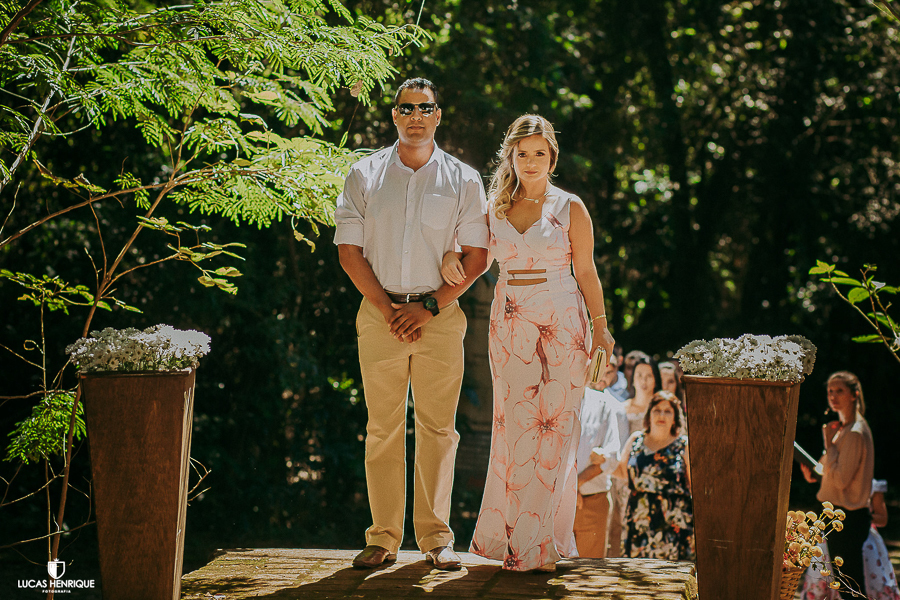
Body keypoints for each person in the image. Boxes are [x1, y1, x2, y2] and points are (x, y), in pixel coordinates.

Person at [441, 114, 615, 572]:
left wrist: (602, 326)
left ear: (552, 156)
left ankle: (539, 544)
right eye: (523, 153)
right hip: (510, 317)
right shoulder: (493, 207)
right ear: (511, 157)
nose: (531, 161)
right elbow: (468, 254)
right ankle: (513, 541)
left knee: (556, 430)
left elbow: (588, 272)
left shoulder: (570, 207)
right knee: (517, 429)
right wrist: (446, 258)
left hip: (564, 318)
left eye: (540, 153)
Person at [334, 77, 490, 570]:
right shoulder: (364, 174)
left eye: (426, 108)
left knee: (439, 429)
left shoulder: (463, 178)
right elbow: (348, 252)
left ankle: (436, 539)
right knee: (381, 427)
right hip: (379, 314)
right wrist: (388, 310)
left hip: (440, 317)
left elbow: (478, 256)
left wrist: (428, 307)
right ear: (394, 115)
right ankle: (382, 539)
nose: (416, 116)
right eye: (407, 108)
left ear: (438, 115)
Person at [801, 371, 876, 597]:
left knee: (848, 585)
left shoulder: (854, 432)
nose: (832, 396)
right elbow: (833, 470)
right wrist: (815, 473)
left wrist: (827, 442)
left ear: (854, 395)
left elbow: (842, 480)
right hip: (839, 515)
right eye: (830, 391)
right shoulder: (844, 428)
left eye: (839, 391)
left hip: (847, 518)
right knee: (844, 583)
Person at [613, 390, 695, 560]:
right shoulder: (636, 440)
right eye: (657, 410)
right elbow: (622, 472)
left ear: (675, 418)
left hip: (674, 525)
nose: (661, 415)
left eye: (668, 411)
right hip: (638, 522)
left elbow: (694, 484)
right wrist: (603, 462)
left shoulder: (684, 445)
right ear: (649, 414)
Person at [799, 479, 900, 600]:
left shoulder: (871, 485)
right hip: (831, 536)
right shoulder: (835, 481)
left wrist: (858, 517)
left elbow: (882, 518)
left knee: (858, 582)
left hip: (862, 539)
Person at [573, 354, 627, 558]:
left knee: (588, 571)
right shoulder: (555, 401)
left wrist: (577, 484)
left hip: (593, 501)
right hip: (558, 502)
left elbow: (611, 456)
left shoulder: (603, 403)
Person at [608, 354, 660, 557]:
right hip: (624, 476)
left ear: (655, 378)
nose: (644, 381)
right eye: (639, 375)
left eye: (648, 375)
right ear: (632, 378)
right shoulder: (622, 408)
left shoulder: (662, 409)